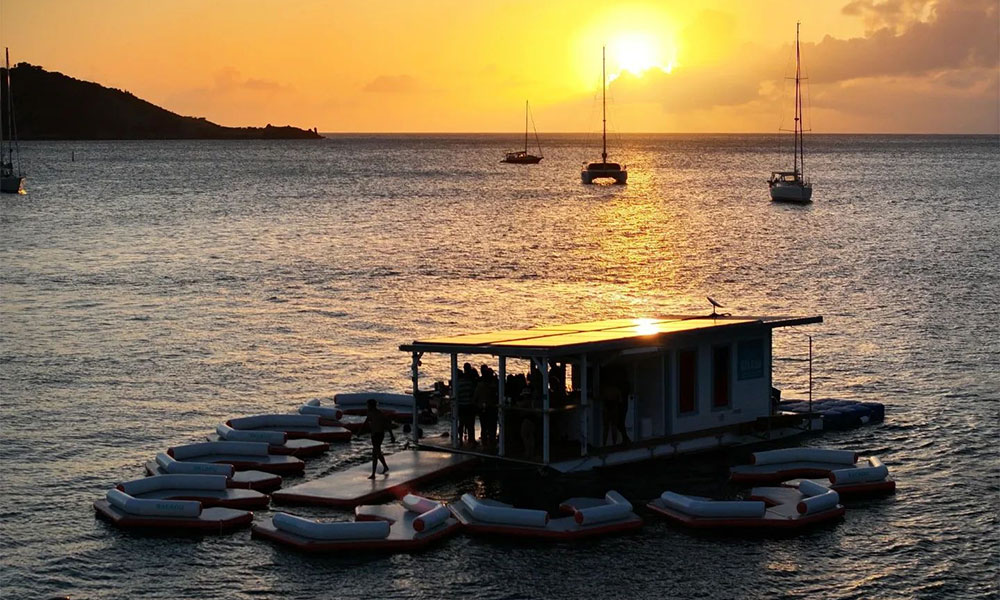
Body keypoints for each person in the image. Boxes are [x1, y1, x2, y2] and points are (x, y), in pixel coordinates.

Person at [361, 398, 396, 479]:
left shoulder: (380, 414)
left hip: (379, 434)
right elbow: (366, 422)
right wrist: (360, 431)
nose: (367, 407)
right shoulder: (369, 413)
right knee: (378, 452)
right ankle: (385, 467)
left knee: (375, 453)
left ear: (372, 406)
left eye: (368, 405)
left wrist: (392, 436)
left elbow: (387, 425)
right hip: (373, 435)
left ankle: (373, 474)